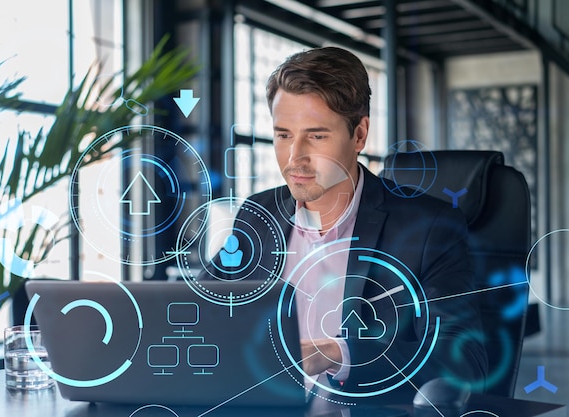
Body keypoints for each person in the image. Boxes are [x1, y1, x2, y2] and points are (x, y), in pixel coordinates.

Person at [209, 46, 488, 401]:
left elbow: (463, 359)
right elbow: (200, 308)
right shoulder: (257, 214)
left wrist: (338, 354)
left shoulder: (428, 228)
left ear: (359, 135)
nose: (295, 157)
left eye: (316, 135)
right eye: (283, 135)